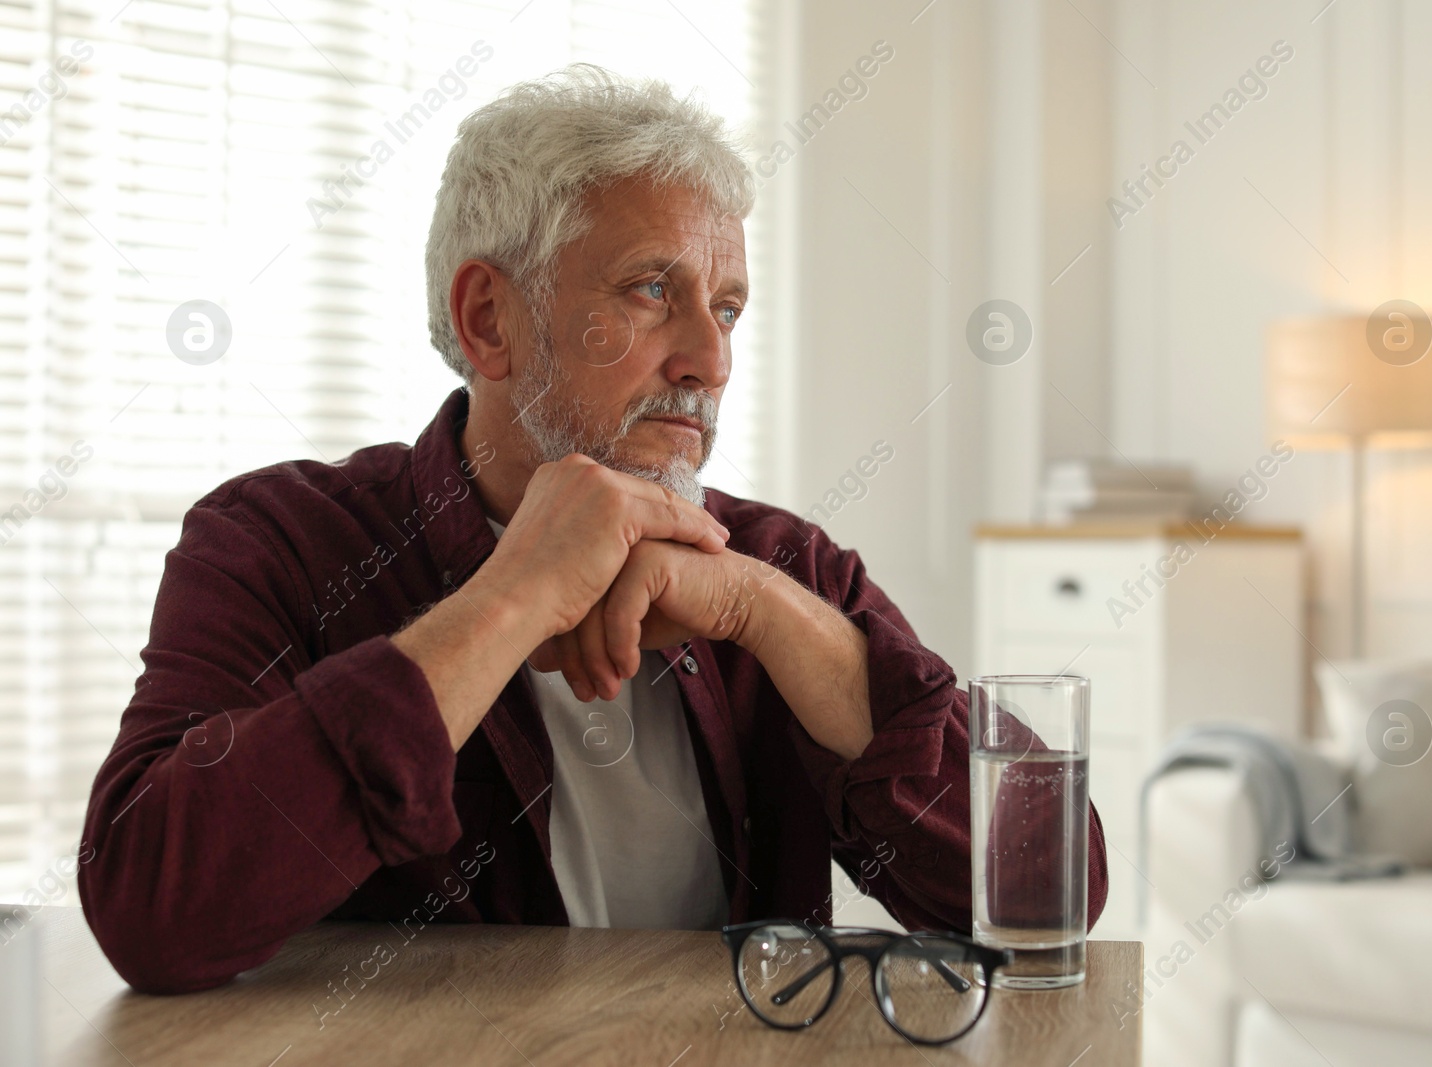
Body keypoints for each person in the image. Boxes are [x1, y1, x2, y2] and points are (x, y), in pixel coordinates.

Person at [79, 65, 1108, 994]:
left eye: (731, 306)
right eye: (653, 289)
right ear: (490, 319)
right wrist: (509, 596)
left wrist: (761, 609)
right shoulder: (279, 542)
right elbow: (150, 914)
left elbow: (1050, 885)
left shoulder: (783, 565)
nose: (710, 357)